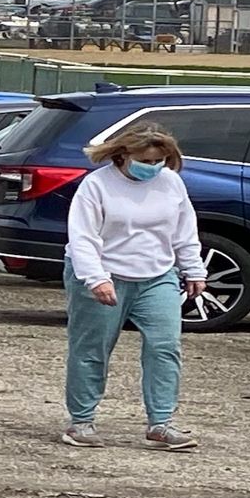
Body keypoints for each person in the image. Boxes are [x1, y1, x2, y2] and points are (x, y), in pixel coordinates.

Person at [62, 124, 205, 451]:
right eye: (146, 160)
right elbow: (83, 238)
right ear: (123, 154)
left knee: (165, 345)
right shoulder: (97, 185)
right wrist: (96, 278)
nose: (152, 167)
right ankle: (81, 421)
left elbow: (184, 230)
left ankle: (161, 423)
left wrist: (193, 269)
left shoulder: (171, 182)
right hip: (104, 272)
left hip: (156, 274)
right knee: (92, 348)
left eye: (159, 160)